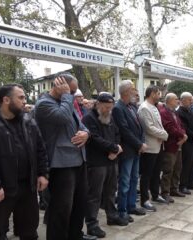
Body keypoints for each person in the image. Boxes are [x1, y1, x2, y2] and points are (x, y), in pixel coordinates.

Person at [0, 84, 49, 240]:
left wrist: (43, 173)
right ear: (6, 99)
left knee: (29, 230)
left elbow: (40, 149)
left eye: (24, 97)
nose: (25, 101)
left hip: (28, 187)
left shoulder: (28, 121)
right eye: (21, 97)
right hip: (1, 190)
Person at [35, 74, 93, 240]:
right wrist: (67, 96)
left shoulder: (67, 102)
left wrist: (86, 134)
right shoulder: (44, 104)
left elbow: (81, 124)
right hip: (60, 164)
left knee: (79, 204)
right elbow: (63, 118)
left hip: (79, 160)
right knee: (61, 209)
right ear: (59, 85)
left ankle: (75, 235)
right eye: (71, 90)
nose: (73, 94)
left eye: (73, 92)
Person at [82, 93, 123, 237]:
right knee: (95, 195)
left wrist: (116, 149)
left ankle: (112, 216)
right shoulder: (88, 118)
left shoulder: (110, 116)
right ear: (98, 104)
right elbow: (94, 138)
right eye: (106, 107)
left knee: (111, 191)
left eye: (110, 108)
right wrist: (113, 148)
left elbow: (117, 133)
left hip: (112, 160)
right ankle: (92, 225)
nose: (108, 110)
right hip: (96, 163)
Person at [112, 80, 146, 224]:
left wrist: (142, 142)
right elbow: (124, 130)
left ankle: (131, 206)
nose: (135, 92)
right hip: (127, 151)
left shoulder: (131, 106)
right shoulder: (118, 108)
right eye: (133, 89)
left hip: (136, 149)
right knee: (124, 182)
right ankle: (122, 210)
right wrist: (139, 144)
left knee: (134, 180)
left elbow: (139, 127)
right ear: (126, 92)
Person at [137, 85, 168, 209]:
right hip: (149, 146)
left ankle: (155, 194)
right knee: (147, 174)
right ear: (152, 93)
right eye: (158, 93)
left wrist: (162, 134)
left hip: (158, 144)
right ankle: (145, 200)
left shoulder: (153, 107)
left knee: (156, 172)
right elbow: (149, 128)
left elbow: (158, 125)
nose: (160, 96)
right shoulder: (144, 108)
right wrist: (164, 134)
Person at [158, 93, 188, 197]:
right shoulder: (163, 112)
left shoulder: (174, 113)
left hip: (179, 145)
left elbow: (180, 125)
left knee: (177, 168)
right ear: (169, 100)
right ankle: (165, 192)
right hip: (170, 145)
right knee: (168, 170)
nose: (178, 101)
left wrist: (183, 134)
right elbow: (169, 128)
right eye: (176, 99)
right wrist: (182, 135)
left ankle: (174, 189)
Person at [177, 92, 193, 192]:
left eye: (191, 100)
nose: (191, 102)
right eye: (189, 100)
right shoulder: (180, 112)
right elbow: (185, 128)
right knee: (187, 164)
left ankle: (191, 182)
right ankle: (183, 185)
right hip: (188, 141)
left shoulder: (190, 111)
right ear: (183, 100)